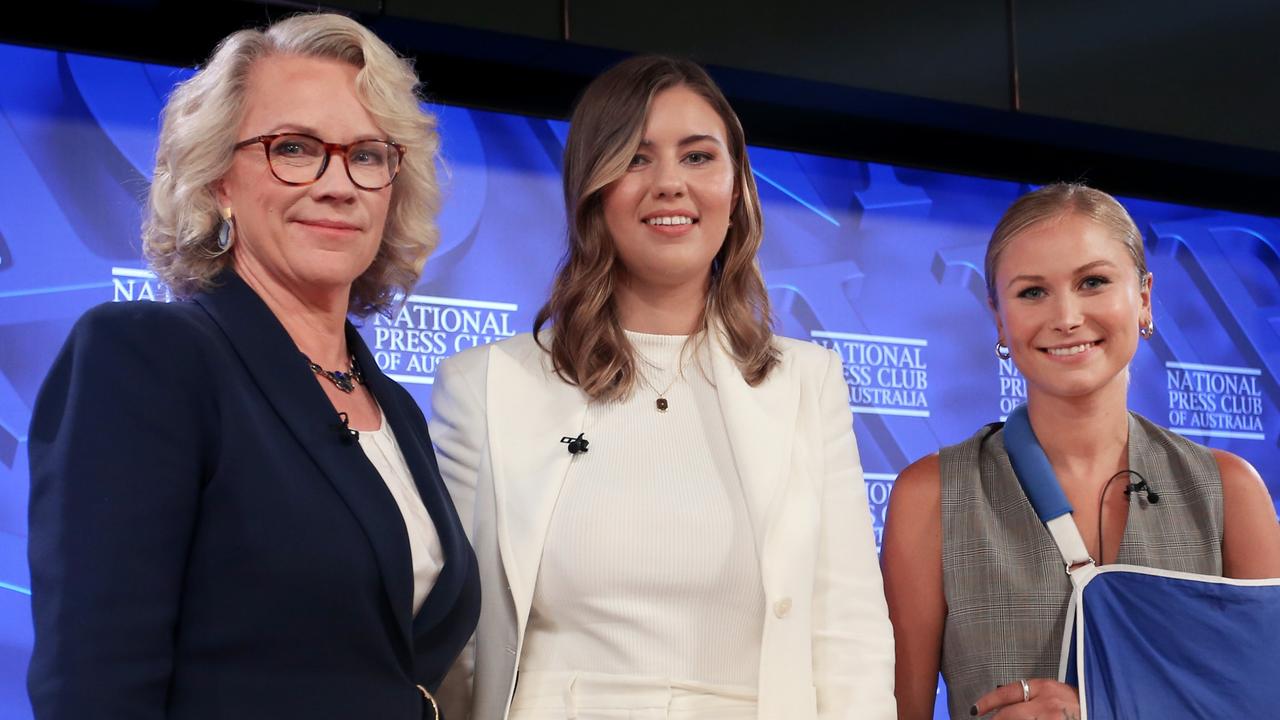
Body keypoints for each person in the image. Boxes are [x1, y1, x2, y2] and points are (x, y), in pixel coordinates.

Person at [26, 13, 479, 719]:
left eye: (367, 154)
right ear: (218, 182)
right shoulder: (148, 357)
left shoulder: (397, 408)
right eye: (294, 148)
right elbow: (94, 682)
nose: (339, 184)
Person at [430, 55, 895, 720]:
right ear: (591, 188)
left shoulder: (806, 383)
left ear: (736, 191)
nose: (670, 184)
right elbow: (459, 646)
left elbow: (848, 634)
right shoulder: (485, 385)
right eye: (636, 158)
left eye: (698, 157)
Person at [880, 182, 1280, 719]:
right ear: (999, 318)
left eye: (1093, 282)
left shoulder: (1228, 490)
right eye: (1031, 292)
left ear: (1143, 298)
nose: (1066, 316)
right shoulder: (933, 495)